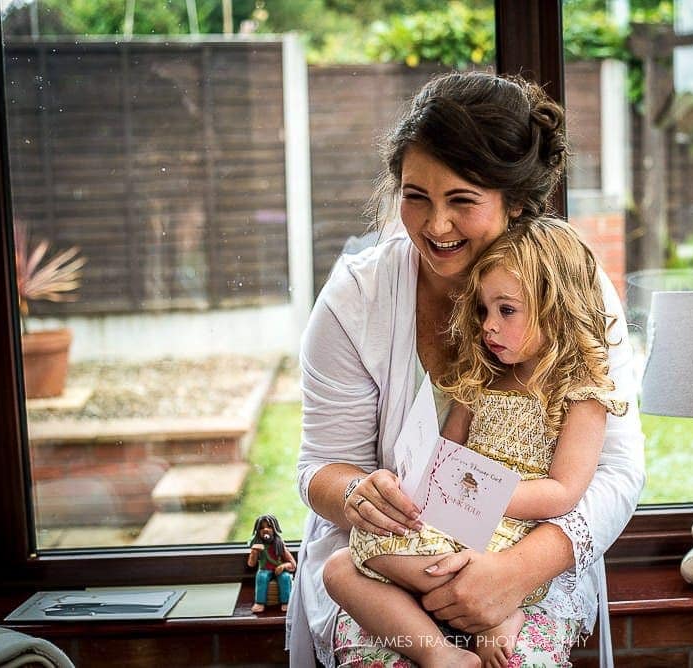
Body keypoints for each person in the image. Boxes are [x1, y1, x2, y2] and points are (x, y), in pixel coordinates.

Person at [287, 70, 645, 668]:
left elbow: (616, 470)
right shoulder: (357, 299)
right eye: (416, 195)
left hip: (527, 563)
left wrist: (508, 575)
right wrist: (356, 494)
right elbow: (318, 467)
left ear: (518, 202)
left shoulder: (571, 290)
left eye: (462, 201)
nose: (435, 225)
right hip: (390, 575)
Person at [321, 218, 629, 667]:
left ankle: (495, 610)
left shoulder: (582, 393)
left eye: (506, 311)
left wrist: (487, 496)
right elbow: (445, 455)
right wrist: (410, 483)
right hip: (454, 518)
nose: (489, 326)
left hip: (506, 538)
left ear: (556, 307)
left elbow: (564, 490)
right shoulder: (481, 379)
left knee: (371, 557)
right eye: (484, 311)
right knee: (338, 570)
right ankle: (444, 652)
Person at [247, 514, 297, 613]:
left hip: (279, 569)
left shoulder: (279, 545)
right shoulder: (258, 545)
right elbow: (251, 564)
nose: (265, 530)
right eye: (262, 528)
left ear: (274, 528)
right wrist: (254, 553)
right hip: (265, 569)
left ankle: (286, 602)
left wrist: (283, 566)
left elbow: (293, 564)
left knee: (285, 578)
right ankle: (260, 602)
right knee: (261, 577)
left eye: (269, 526)